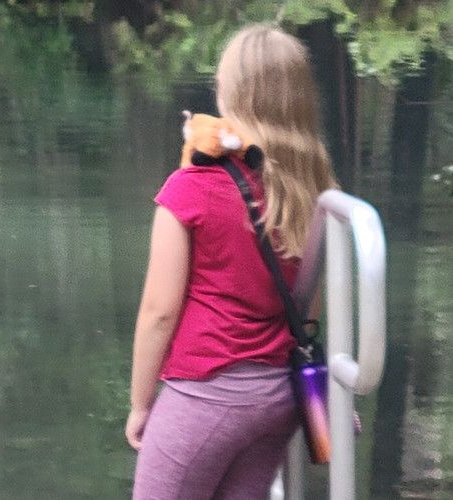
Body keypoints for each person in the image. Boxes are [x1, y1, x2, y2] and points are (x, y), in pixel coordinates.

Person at [125, 25, 338, 499]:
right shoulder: (314, 190)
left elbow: (159, 312)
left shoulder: (191, 187)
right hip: (278, 399)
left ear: (228, 94)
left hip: (203, 395)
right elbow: (309, 305)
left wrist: (141, 404)